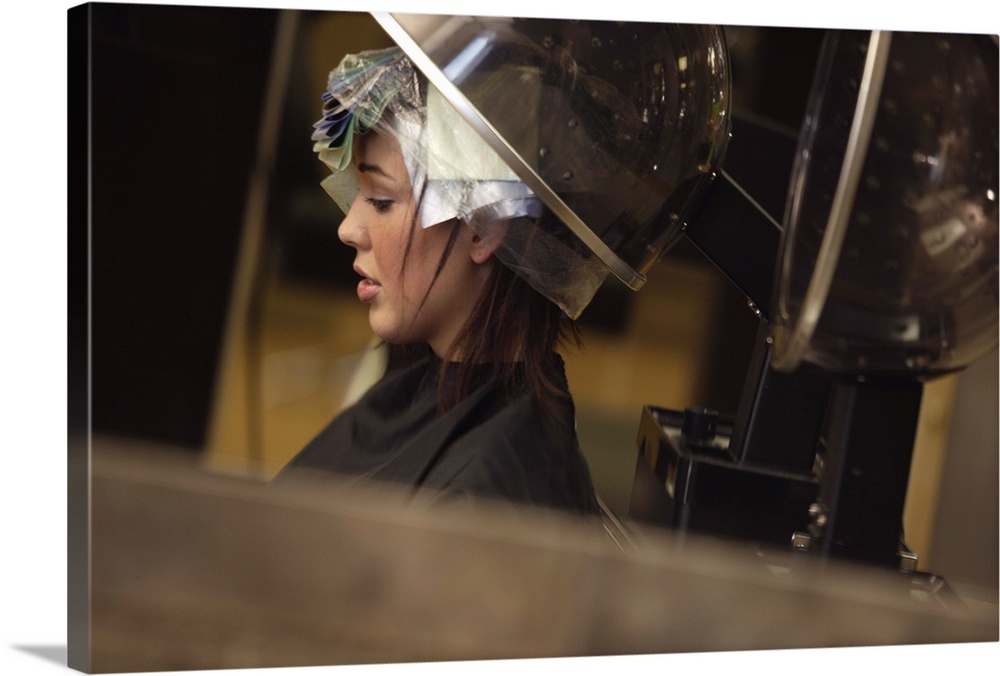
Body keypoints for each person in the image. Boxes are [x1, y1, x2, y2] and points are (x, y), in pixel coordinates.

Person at [277, 47, 604, 515]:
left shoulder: (484, 496)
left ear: (484, 228)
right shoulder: (423, 390)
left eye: (382, 199)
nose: (347, 229)